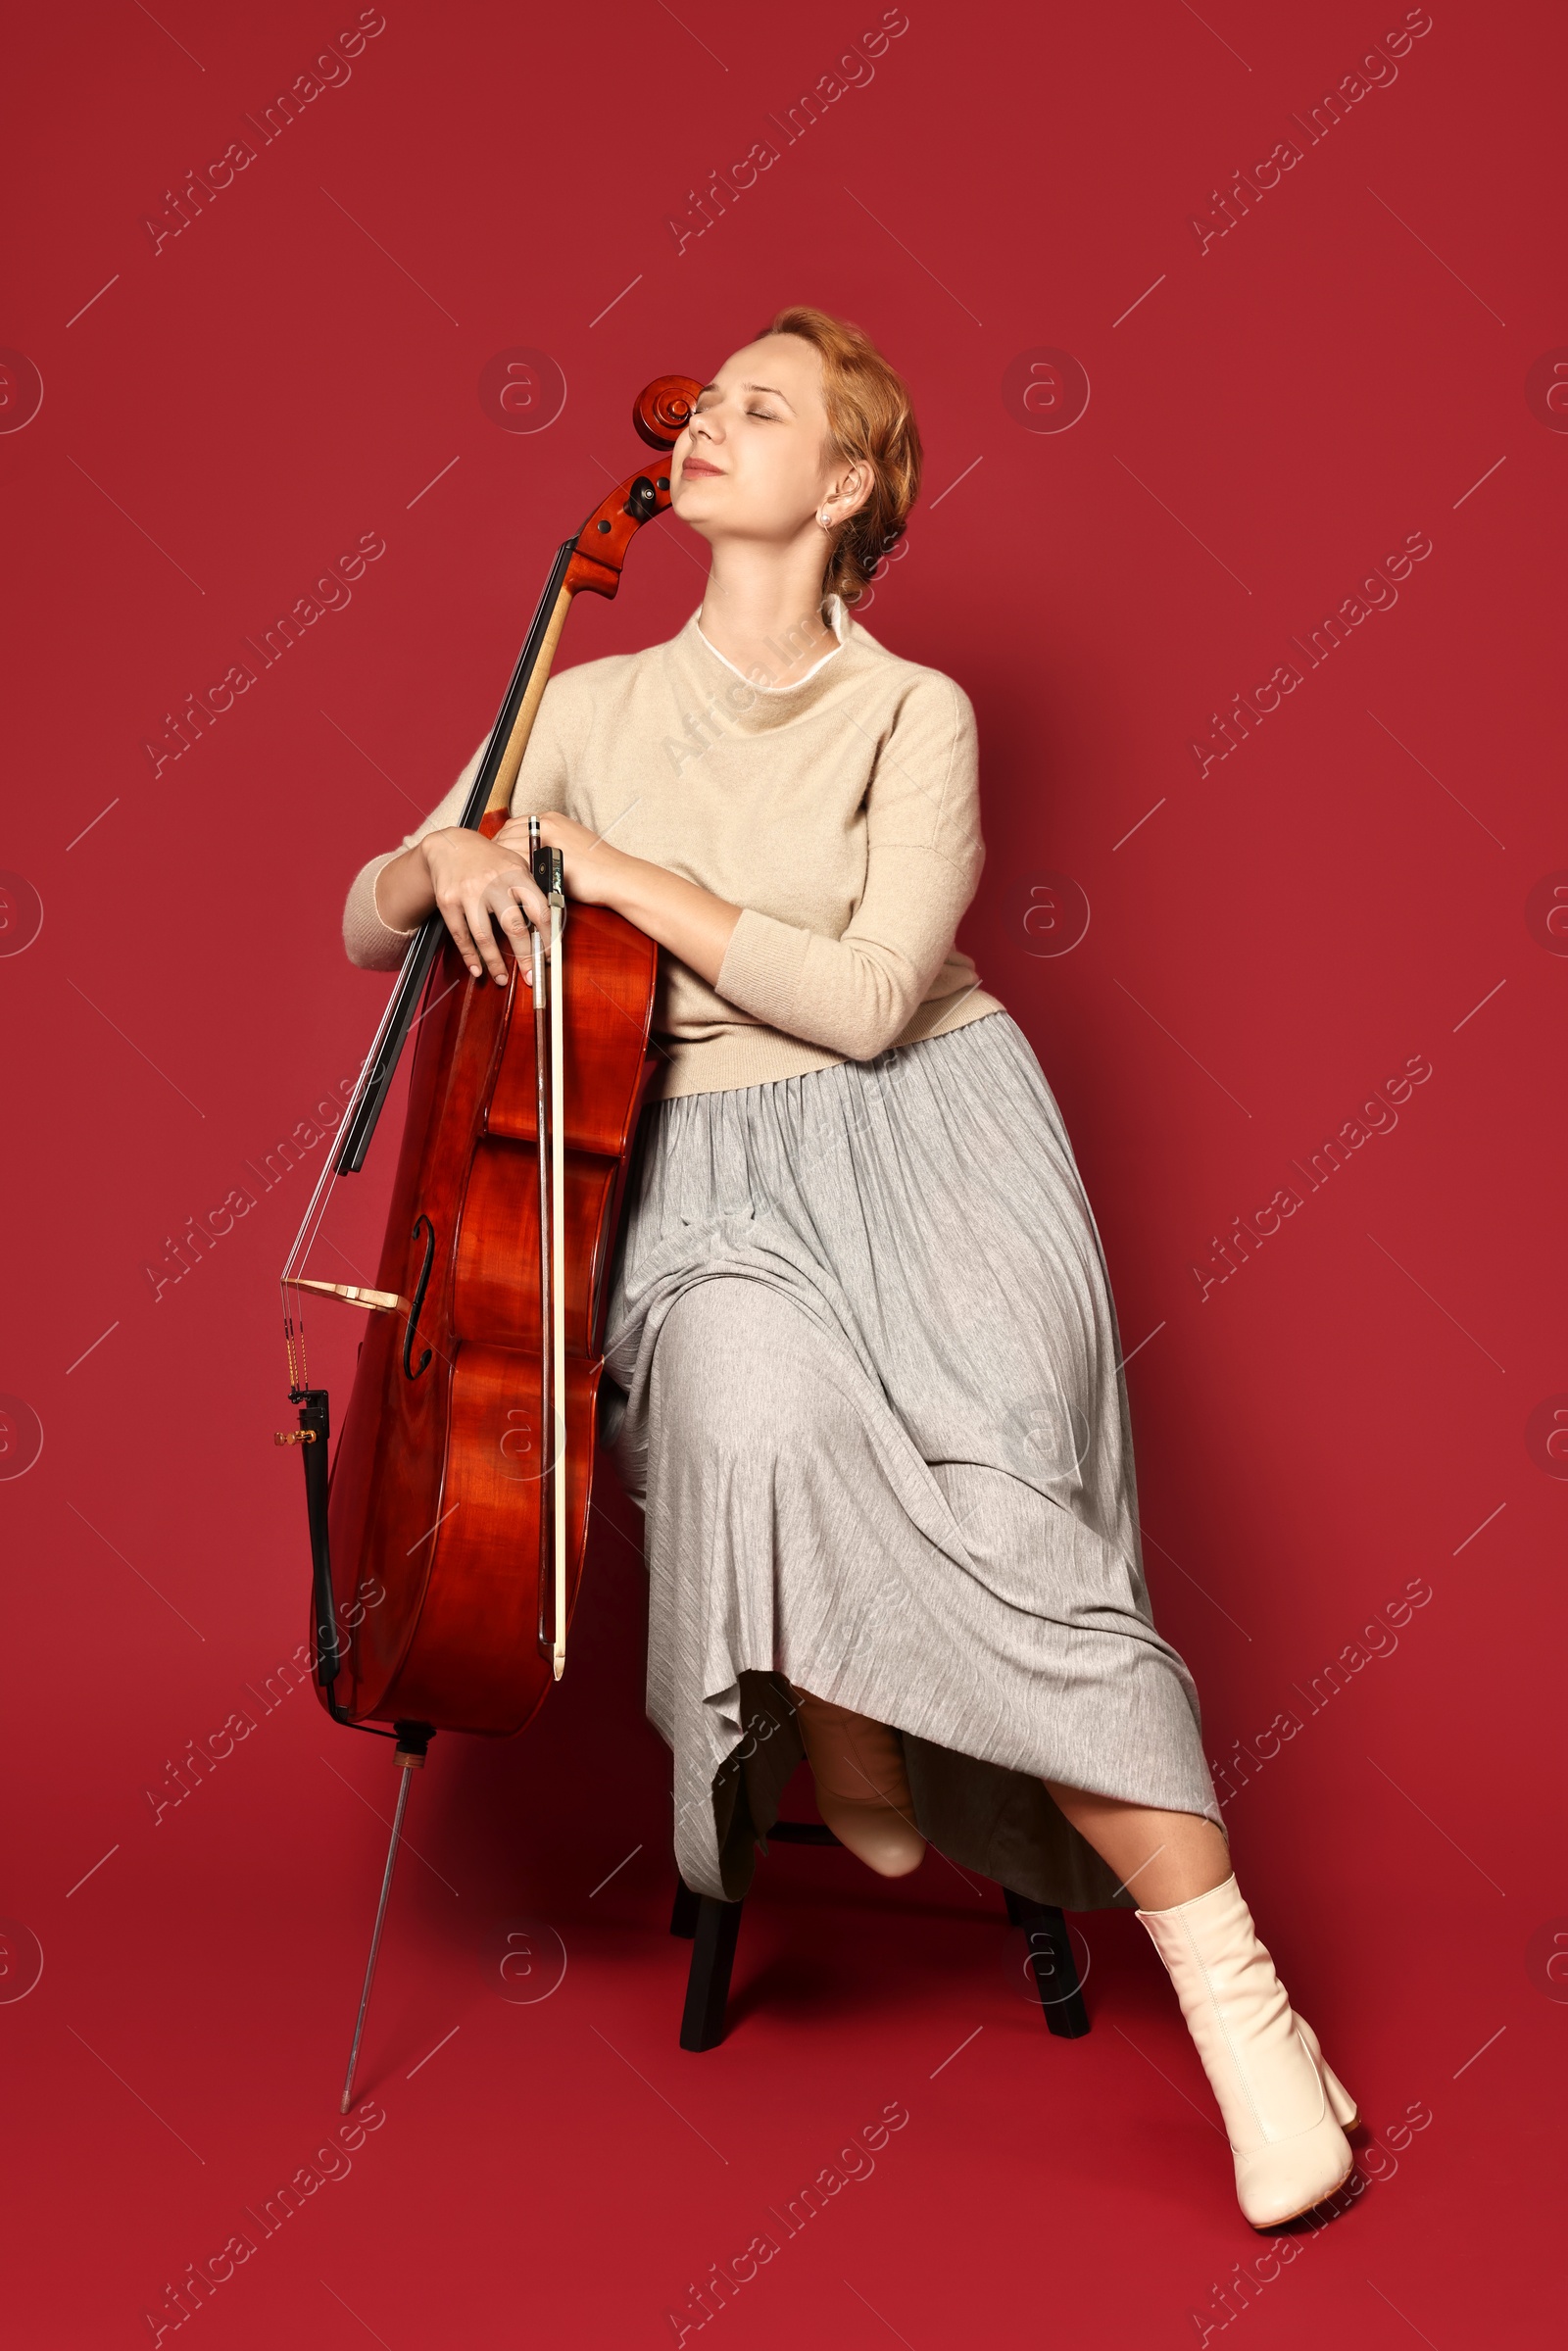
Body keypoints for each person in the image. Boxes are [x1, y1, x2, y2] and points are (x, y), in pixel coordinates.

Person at [340, 306, 1358, 2229]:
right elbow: (360, 908)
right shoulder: (583, 700)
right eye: (705, 401)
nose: (707, 422)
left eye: (760, 407)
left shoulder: (914, 716)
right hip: (693, 1185)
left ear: (848, 485)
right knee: (737, 1387)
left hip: (934, 1152)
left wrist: (619, 879)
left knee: (1011, 1521)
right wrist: (440, 871)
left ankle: (1237, 2005)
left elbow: (872, 996)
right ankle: (843, 1706)